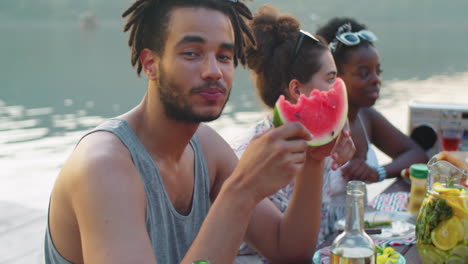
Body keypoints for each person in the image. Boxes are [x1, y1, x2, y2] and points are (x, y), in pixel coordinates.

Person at [44, 1, 354, 263]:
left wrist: (315, 158)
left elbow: (288, 250)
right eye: (191, 53)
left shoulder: (206, 148)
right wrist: (241, 191)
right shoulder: (104, 167)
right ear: (151, 63)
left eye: (224, 56)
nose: (213, 71)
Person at [229, 5, 356, 262]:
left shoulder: (320, 143)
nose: (340, 89)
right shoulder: (251, 157)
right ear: (297, 90)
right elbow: (289, 253)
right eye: (331, 79)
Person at [315, 17, 428, 235]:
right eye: (364, 73)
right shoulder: (320, 125)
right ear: (333, 76)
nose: (376, 79)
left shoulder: (365, 116)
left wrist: (377, 172)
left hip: (358, 228)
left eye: (378, 71)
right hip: (321, 236)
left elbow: (416, 153)